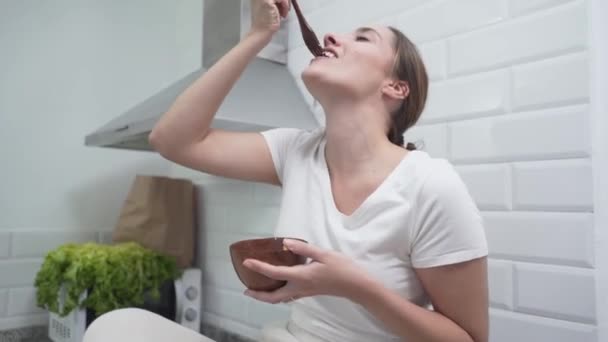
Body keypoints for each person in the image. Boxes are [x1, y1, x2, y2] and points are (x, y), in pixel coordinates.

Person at [86, 0, 489, 341]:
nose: (332, 38)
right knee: (117, 326)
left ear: (396, 88)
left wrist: (354, 286)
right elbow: (172, 140)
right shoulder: (296, 151)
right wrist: (257, 36)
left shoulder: (430, 186)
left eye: (363, 37)